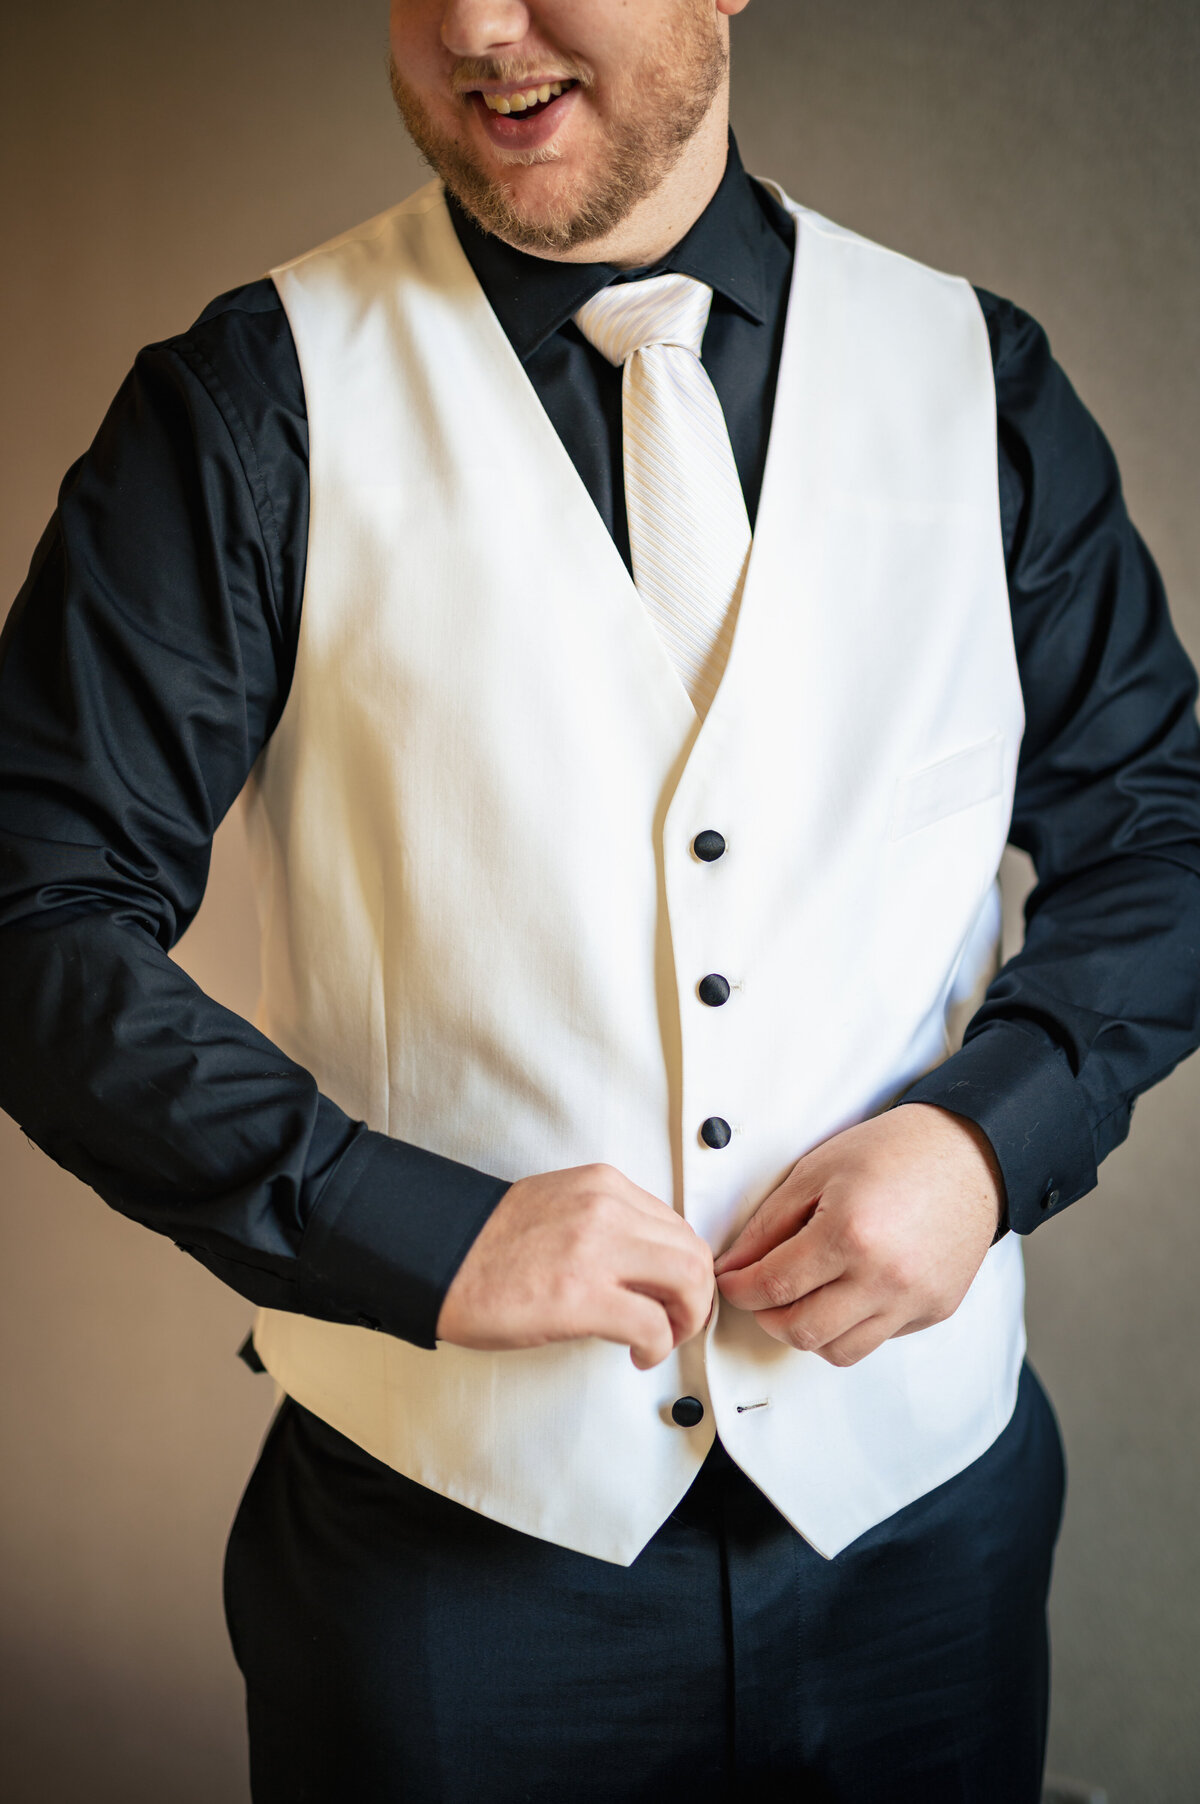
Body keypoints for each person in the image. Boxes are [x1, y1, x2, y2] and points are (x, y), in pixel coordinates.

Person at [2, 1, 1199, 1798]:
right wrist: (390, 1218)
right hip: (439, 1566)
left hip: (925, 1535)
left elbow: (1166, 829)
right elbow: (33, 910)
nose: (483, 26)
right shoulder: (255, 398)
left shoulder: (978, 377)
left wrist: (985, 1139)